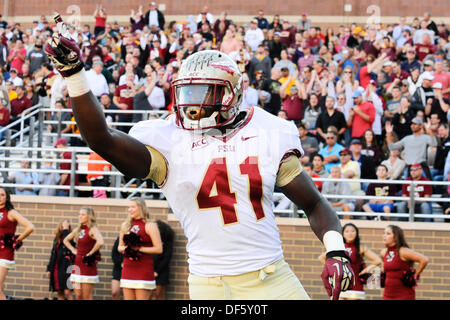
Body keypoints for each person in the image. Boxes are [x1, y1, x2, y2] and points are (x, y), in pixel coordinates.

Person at [46, 31, 355, 300]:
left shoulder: (266, 131)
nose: (193, 104)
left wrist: (336, 250)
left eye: (204, 92)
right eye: (187, 92)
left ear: (231, 94)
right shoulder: (168, 141)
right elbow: (101, 139)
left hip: (269, 276)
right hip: (208, 283)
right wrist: (74, 74)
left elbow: (313, 203)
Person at [319, 223, 382, 300]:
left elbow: (378, 260)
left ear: (356, 233)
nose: (350, 233)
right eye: (347, 231)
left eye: (353, 231)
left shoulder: (360, 248)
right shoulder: (338, 246)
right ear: (342, 234)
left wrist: (364, 271)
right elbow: (321, 258)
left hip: (356, 287)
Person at [118, 197, 162, 300]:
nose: (130, 209)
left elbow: (159, 249)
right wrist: (128, 248)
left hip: (143, 269)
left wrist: (138, 249)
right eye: (129, 207)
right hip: (128, 268)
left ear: (141, 208)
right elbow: (119, 247)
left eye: (133, 207)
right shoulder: (125, 225)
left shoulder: (150, 225)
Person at [0, 187, 35, 300]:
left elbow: (30, 227)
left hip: (5, 253)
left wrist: (16, 240)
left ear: (7, 197)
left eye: (2, 195)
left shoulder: (11, 212)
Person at [63, 207, 104, 300]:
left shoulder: (92, 229)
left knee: (86, 297)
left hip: (87, 265)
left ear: (89, 216)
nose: (80, 216)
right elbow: (66, 240)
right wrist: (73, 250)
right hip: (77, 265)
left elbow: (100, 242)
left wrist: (90, 253)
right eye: (79, 214)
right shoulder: (78, 229)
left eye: (83, 214)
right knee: (78, 295)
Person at [380, 225, 429, 300]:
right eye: (384, 233)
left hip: (403, 295)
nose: (384, 236)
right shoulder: (383, 252)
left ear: (396, 237)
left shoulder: (403, 251)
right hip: (387, 295)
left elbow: (424, 260)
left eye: (388, 233)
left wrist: (415, 276)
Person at [46, 219, 74, 300]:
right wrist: (49, 269)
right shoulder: (57, 239)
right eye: (62, 226)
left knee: (67, 292)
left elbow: (67, 242)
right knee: (59, 292)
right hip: (56, 269)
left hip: (67, 268)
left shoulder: (71, 238)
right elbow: (52, 255)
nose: (63, 228)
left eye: (65, 226)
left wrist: (66, 230)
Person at [151, 220, 175, 300]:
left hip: (161, 272)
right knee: (148, 295)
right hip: (149, 271)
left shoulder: (167, 242)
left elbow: (166, 258)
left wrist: (157, 271)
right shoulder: (151, 239)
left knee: (158, 295)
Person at [111, 236, 123, 300]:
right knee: (114, 292)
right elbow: (114, 254)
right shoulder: (120, 237)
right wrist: (120, 263)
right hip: (118, 269)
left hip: (132, 269)